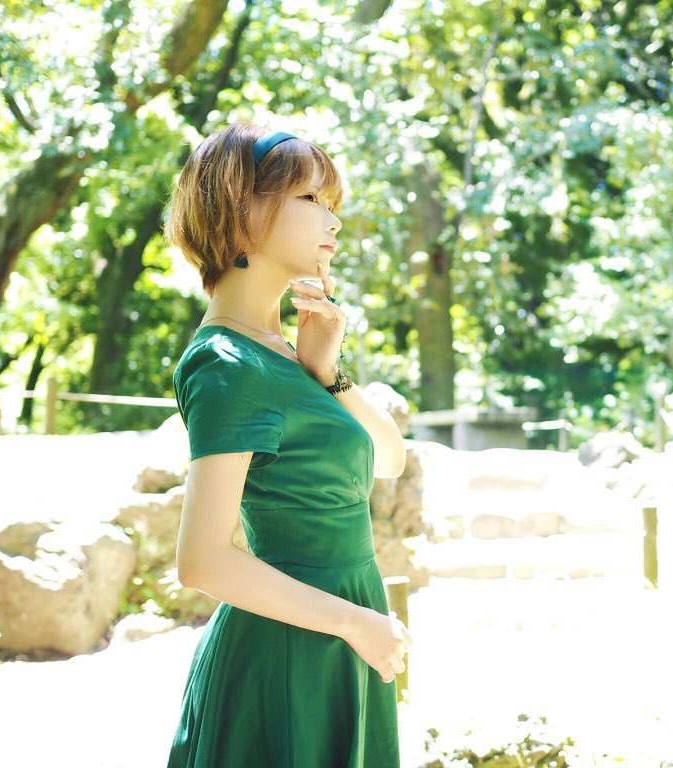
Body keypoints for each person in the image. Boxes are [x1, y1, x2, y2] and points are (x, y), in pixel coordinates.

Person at [161, 120, 411, 767]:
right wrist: (356, 623)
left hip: (339, 634)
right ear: (241, 207)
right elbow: (202, 561)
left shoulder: (283, 354)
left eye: (331, 203)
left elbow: (390, 460)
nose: (333, 221)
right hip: (289, 653)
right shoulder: (224, 362)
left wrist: (329, 373)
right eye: (310, 199)